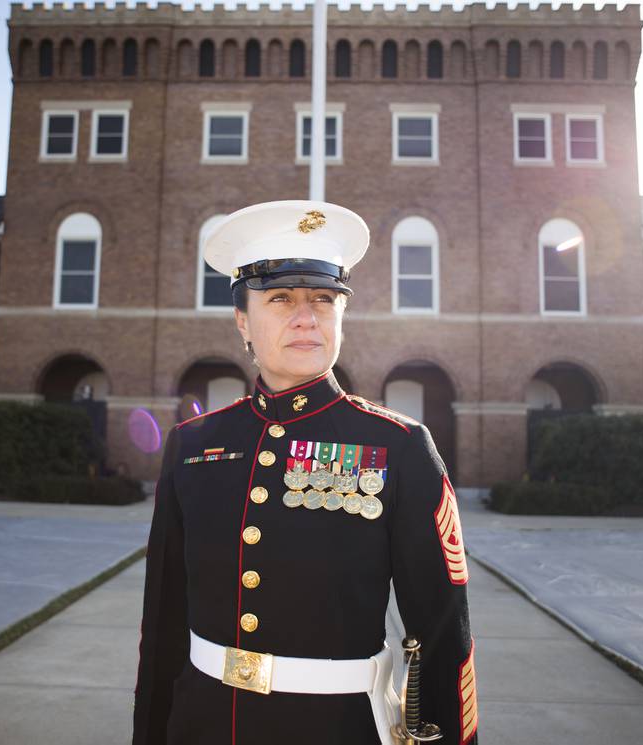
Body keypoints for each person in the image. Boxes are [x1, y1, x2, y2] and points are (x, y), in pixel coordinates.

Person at [133, 200, 477, 745]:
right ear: (242, 320)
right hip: (200, 724)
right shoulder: (193, 444)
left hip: (336, 727)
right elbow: (163, 624)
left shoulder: (400, 445)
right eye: (280, 299)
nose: (306, 316)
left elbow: (442, 632)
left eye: (323, 298)